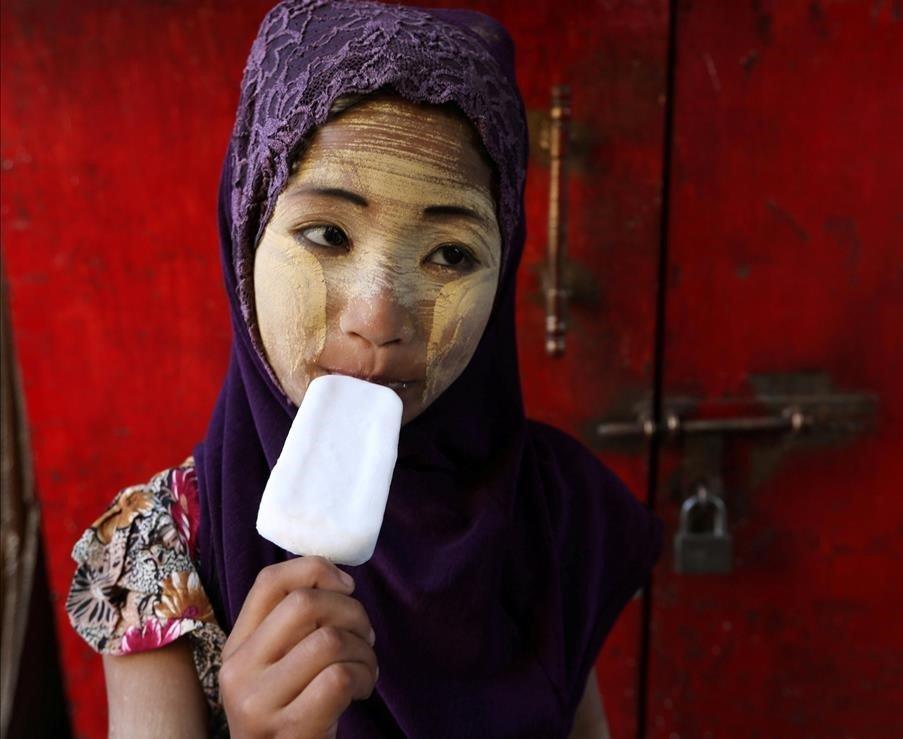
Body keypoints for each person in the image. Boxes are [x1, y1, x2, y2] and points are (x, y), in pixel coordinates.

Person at [63, 1, 665, 736]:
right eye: (326, 233)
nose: (378, 319)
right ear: (246, 232)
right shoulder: (161, 555)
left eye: (451, 254)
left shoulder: (552, 512)